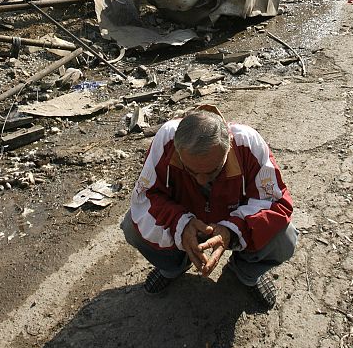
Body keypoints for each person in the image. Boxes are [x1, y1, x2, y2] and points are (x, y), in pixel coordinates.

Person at [121, 106, 297, 309]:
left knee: (284, 238)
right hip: (186, 224)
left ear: (229, 146)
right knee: (131, 227)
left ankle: (246, 273)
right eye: (191, 171)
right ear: (179, 152)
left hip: (234, 225)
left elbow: (274, 203)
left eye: (214, 170)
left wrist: (232, 230)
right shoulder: (167, 140)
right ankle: (173, 267)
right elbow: (146, 197)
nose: (202, 179)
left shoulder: (248, 143)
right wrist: (181, 225)